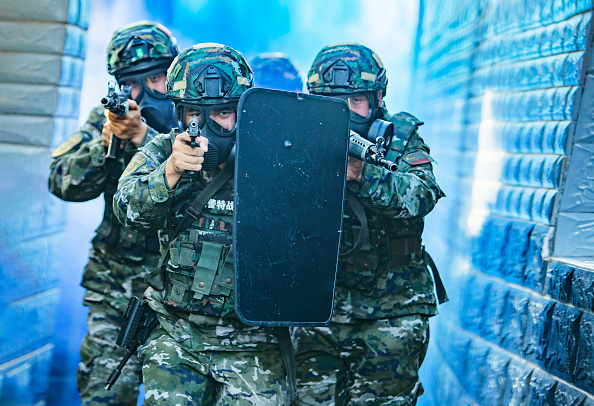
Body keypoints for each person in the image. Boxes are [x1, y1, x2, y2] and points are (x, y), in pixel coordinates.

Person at [113, 43, 290, 405]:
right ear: (180, 113)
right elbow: (127, 210)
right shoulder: (162, 150)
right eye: (195, 112)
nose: (209, 124)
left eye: (223, 112)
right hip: (176, 334)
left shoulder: (274, 155)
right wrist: (170, 171)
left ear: (244, 110)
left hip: (253, 342)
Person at [292, 43, 446, 405]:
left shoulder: (401, 137)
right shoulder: (300, 136)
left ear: (378, 98)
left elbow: (422, 195)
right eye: (331, 102)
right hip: (319, 309)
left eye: (356, 100)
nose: (345, 113)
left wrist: (364, 175)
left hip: (392, 310)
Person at [48, 21, 178, 406]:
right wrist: (105, 147)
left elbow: (211, 185)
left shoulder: (199, 116)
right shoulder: (107, 119)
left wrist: (145, 141)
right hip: (116, 285)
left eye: (156, 78)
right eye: (132, 83)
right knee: (104, 395)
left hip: (181, 296)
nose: (145, 92)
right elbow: (61, 181)